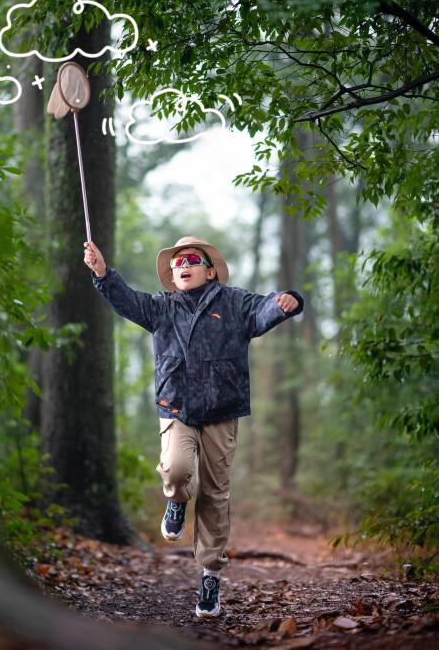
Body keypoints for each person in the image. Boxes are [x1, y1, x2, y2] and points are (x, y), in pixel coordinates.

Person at [83, 235, 304, 619]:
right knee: (177, 468)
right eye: (176, 261)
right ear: (173, 273)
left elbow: (265, 309)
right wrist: (103, 274)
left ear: (210, 269)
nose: (182, 264)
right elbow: (126, 300)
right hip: (177, 408)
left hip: (223, 409)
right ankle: (175, 499)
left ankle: (209, 576)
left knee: (216, 495)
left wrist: (287, 301)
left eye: (191, 259)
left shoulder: (234, 302)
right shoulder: (159, 308)